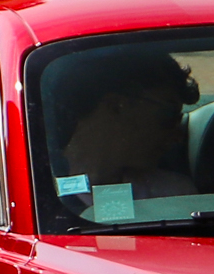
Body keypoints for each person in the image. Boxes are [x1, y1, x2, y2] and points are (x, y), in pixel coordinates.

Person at [56, 52, 199, 202]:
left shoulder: (175, 197)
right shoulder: (35, 187)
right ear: (116, 106)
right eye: (168, 117)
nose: (178, 136)